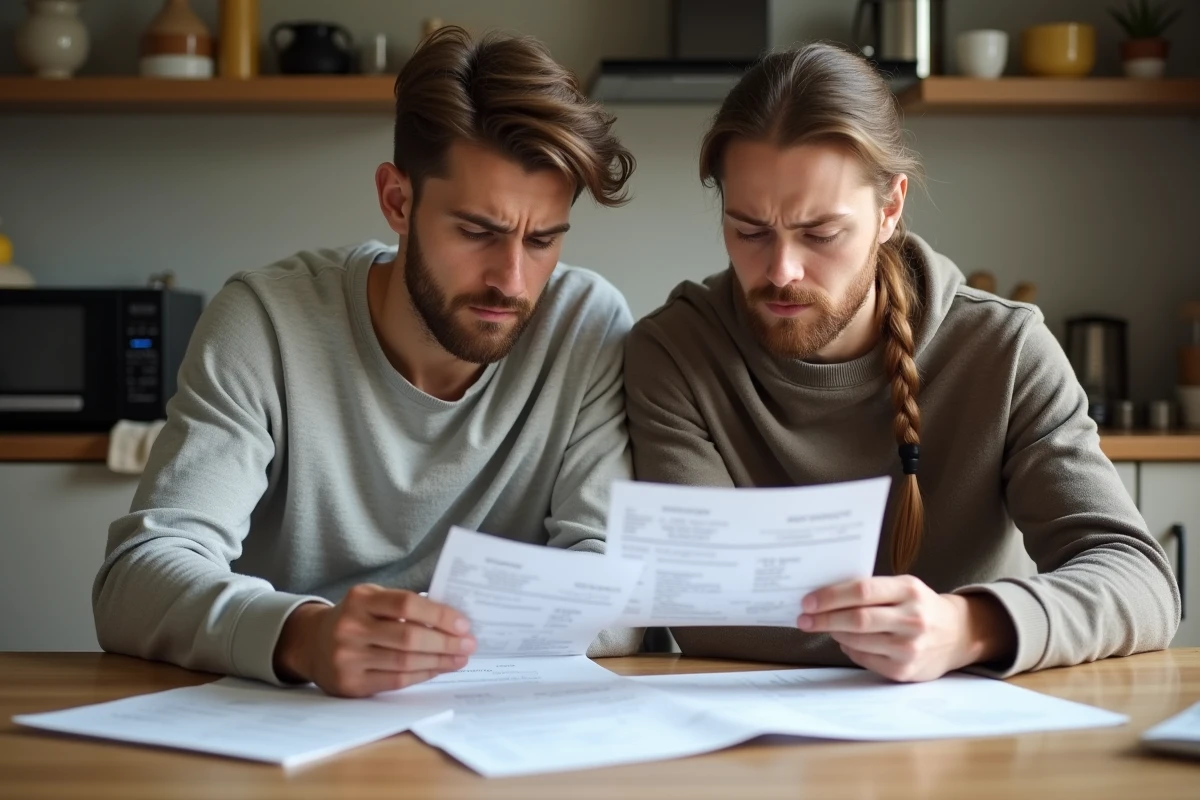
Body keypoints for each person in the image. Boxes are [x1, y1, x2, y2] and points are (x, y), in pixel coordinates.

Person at [94, 26, 640, 698]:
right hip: (290, 722)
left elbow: (614, 590)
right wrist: (305, 636)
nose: (513, 280)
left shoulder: (585, 326)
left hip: (498, 734)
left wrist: (429, 642)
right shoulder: (266, 321)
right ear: (397, 201)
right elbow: (137, 578)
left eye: (543, 240)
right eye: (477, 232)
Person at [625, 42, 1180, 681]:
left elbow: (1140, 579)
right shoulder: (672, 353)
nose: (781, 271)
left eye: (820, 234)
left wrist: (971, 627)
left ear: (889, 209)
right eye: (749, 230)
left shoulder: (1004, 349)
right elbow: (704, 607)